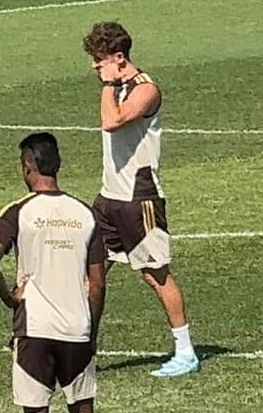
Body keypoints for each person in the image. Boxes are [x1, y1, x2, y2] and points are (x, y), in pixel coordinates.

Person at [82, 21, 199, 377]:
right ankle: (81, 350)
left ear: (119, 57)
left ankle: (186, 352)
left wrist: (107, 84)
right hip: (107, 199)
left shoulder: (146, 90)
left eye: (100, 60)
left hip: (139, 199)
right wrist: (109, 84)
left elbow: (112, 121)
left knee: (155, 274)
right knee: (90, 274)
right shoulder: (115, 87)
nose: (94, 66)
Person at [0, 133, 105, 413]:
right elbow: (97, 284)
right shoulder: (86, 214)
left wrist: (10, 299)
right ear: (57, 164)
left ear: (27, 166)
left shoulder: (18, 211)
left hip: (34, 329)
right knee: (83, 407)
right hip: (77, 329)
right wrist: (91, 333)